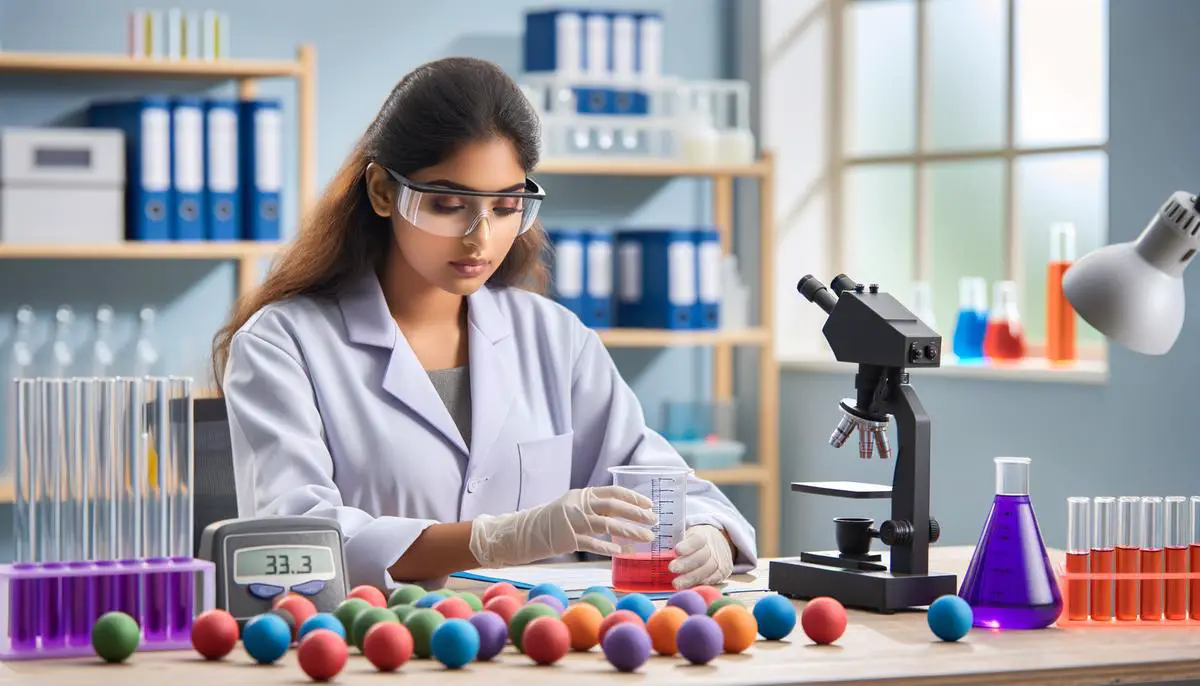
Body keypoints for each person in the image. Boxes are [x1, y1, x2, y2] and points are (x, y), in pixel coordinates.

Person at [214, 56, 757, 592]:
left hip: (540, 657)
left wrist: (708, 532)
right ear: (382, 191)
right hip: (374, 654)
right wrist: (499, 538)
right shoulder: (283, 344)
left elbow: (659, 480)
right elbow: (296, 540)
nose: (480, 238)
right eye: (449, 204)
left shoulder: (554, 338)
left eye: (505, 207)